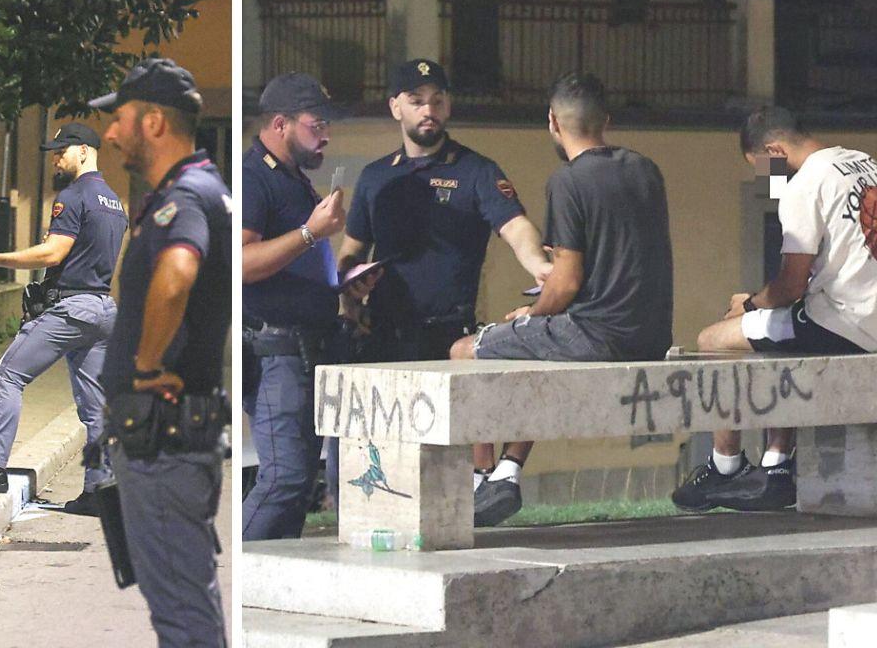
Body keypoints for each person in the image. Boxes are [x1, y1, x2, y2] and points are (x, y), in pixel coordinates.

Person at [447, 72, 674, 526]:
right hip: (650, 335)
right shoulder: (646, 169)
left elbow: (566, 282)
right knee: (532, 349)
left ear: (552, 121)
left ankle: (483, 475)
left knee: (464, 351)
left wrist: (530, 312)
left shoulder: (567, 181)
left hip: (597, 335)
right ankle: (507, 471)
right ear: (606, 120)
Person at [337, 58, 552, 522]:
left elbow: (516, 228)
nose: (428, 110)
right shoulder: (376, 177)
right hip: (385, 338)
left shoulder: (475, 170)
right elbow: (351, 253)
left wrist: (539, 266)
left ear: (449, 106)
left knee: (449, 483)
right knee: (388, 473)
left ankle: (485, 491)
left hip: (448, 335)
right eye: (416, 101)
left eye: (437, 100)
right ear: (396, 107)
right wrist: (350, 285)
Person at [672, 106, 877, 513]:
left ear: (774, 151)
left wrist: (747, 304)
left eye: (763, 168)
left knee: (713, 339)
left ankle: (726, 466)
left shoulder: (805, 185)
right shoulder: (865, 163)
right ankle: (776, 460)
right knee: (779, 330)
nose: (765, 179)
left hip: (849, 323)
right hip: (864, 313)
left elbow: (789, 286)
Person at [94, 58, 230, 647]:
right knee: (184, 603)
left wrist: (145, 365)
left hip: (164, 440)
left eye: (118, 118)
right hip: (168, 437)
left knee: (181, 612)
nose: (110, 133)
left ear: (153, 122)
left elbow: (176, 275)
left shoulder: (187, 197)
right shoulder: (199, 189)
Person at [0, 123, 127, 515]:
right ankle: (100, 490)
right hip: (104, 309)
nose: (56, 159)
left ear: (84, 151)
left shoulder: (74, 196)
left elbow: (53, 253)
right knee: (96, 406)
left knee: (8, 375)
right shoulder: (114, 202)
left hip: (73, 308)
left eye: (62, 151)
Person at [241, 72, 374, 540]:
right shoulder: (254, 177)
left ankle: (270, 577)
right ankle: (240, 573)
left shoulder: (293, 180)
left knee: (297, 486)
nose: (326, 136)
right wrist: (311, 233)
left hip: (307, 349)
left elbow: (295, 265)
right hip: (276, 352)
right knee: (284, 479)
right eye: (317, 125)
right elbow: (241, 263)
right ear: (281, 124)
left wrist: (343, 286)